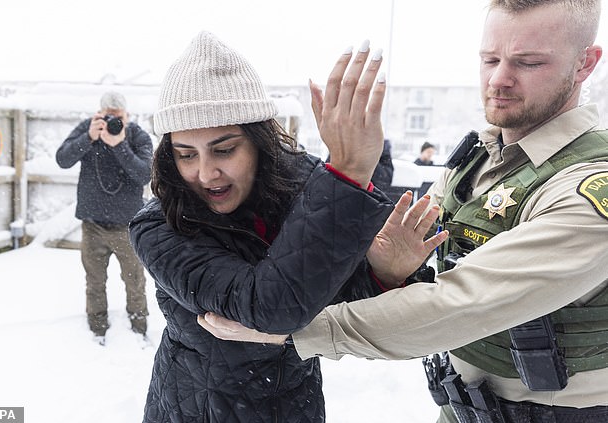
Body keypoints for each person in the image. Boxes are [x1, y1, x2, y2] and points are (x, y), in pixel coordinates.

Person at [198, 1, 608, 422]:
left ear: (584, 64)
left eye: (529, 62)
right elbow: (416, 258)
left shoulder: (591, 188)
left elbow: (461, 304)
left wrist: (296, 330)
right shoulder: (481, 160)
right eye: (490, 59)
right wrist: (389, 269)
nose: (499, 79)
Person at [128, 32, 445, 423]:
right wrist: (347, 175)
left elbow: (329, 306)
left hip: (295, 406)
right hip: (197, 409)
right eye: (185, 154)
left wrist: (383, 274)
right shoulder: (158, 227)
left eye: (224, 149)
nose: (206, 173)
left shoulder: (305, 185)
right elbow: (271, 308)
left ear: (259, 141)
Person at [56, 91, 152, 344]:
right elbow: (62, 159)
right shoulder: (88, 129)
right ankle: (96, 328)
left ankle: (139, 328)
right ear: (99, 113)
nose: (112, 120)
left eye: (117, 116)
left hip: (127, 227)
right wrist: (88, 137)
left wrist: (119, 144)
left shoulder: (137, 135)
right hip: (92, 225)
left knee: (134, 282)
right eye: (107, 114)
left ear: (127, 115)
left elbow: (145, 175)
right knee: (94, 281)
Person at [326, 138, 394, 191]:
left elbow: (384, 181)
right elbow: (328, 175)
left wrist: (367, 155)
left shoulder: (382, 147)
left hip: (370, 199)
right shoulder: (342, 146)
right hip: (344, 194)